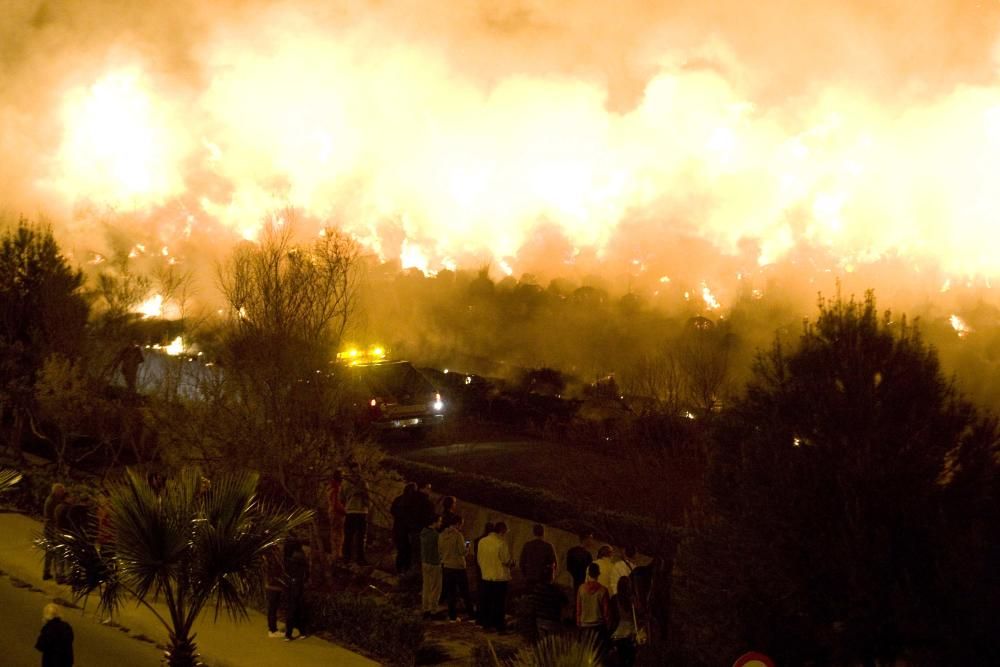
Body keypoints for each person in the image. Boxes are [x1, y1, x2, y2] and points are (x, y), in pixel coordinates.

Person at [476, 521, 514, 633]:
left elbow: (479, 558)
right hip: (499, 577)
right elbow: (506, 560)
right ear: (502, 531)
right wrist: (512, 563)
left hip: (486, 575)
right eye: (505, 532)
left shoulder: (482, 541)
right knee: (499, 603)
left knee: (487, 601)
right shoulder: (501, 543)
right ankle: (499, 626)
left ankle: (486, 624)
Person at [438, 514, 475, 622]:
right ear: (457, 524)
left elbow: (440, 551)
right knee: (465, 592)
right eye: (461, 524)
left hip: (446, 566)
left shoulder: (441, 535)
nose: (461, 527)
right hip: (458, 567)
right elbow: (462, 552)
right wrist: (467, 546)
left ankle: (452, 616)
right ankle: (471, 614)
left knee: (451, 592)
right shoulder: (458, 536)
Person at [576, 562, 611, 654]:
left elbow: (578, 609)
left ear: (588, 573)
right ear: (598, 574)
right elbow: (606, 612)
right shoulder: (603, 590)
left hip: (584, 626)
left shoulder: (581, 589)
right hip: (599, 627)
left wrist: (579, 623)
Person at [339, 463, 370, 565]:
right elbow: (368, 498)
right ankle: (358, 559)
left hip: (353, 511)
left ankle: (347, 558)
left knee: (350, 536)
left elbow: (341, 498)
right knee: (358, 537)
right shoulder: (363, 483)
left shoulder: (345, 483)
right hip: (359, 511)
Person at [528, 561, 568, 639]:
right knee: (554, 645)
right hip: (552, 621)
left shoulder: (537, 588)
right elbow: (565, 601)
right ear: (551, 576)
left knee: (544, 643)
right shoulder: (555, 589)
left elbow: (533, 603)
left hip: (540, 621)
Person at [610, 575, 638, 667]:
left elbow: (611, 617)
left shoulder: (614, 599)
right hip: (631, 634)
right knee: (630, 661)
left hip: (618, 634)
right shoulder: (633, 599)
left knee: (621, 661)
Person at [283, 540, 309, 641]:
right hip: (297, 584)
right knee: (297, 608)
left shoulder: (288, 557)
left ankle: (290, 633)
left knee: (292, 609)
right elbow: (306, 571)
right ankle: (300, 631)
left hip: (290, 584)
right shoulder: (300, 556)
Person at [390, 482, 417, 573]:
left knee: (401, 550)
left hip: (398, 528)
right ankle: (404, 569)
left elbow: (392, 510)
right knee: (406, 551)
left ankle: (399, 568)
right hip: (407, 530)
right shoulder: (412, 502)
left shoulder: (399, 499)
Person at [519, 523, 557, 588]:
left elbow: (522, 562)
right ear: (543, 533)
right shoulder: (548, 546)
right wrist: (551, 577)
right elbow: (553, 563)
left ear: (533, 533)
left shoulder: (527, 545)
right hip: (543, 578)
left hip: (530, 576)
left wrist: (525, 574)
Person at [420, 514, 443, 618]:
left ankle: (425, 609)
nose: (440, 523)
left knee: (426, 587)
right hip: (434, 563)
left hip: (425, 562)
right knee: (435, 588)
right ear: (434, 522)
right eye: (439, 521)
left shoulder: (423, 532)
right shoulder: (435, 535)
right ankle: (433, 610)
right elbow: (440, 549)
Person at [35, 602, 73, 667]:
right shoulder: (66, 626)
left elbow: (40, 646)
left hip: (51, 662)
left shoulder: (48, 628)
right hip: (66, 661)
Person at [408, 482, 435, 571]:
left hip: (408, 528)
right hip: (420, 531)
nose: (430, 491)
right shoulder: (428, 504)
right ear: (423, 488)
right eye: (428, 488)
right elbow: (430, 519)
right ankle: (413, 573)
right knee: (417, 554)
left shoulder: (410, 499)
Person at [42, 484, 67, 581]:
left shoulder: (52, 500)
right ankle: (57, 574)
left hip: (50, 529)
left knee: (50, 552)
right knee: (56, 552)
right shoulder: (52, 501)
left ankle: (47, 572)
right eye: (61, 491)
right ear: (57, 491)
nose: (63, 493)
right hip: (52, 529)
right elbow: (53, 516)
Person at [473, 521, 494, 626]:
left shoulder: (477, 541)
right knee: (488, 595)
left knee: (480, 593)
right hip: (489, 571)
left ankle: (479, 617)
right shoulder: (493, 542)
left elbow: (476, 557)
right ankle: (487, 617)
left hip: (479, 570)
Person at [265, 545, 285, 638]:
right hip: (274, 586)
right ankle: (272, 630)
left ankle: (272, 628)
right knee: (272, 608)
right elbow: (276, 572)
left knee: (272, 608)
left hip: (271, 586)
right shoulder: (273, 560)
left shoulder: (268, 559)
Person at [326, 470, 347, 561]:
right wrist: (345, 511)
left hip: (331, 512)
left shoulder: (329, 487)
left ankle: (335, 554)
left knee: (334, 533)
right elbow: (336, 504)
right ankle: (337, 554)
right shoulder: (336, 488)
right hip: (337, 514)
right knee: (339, 534)